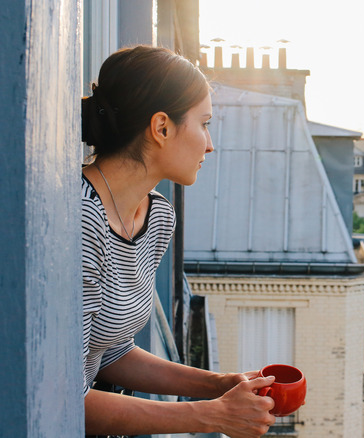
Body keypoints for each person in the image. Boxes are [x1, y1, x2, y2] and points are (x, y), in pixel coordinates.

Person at [80, 45, 275, 437]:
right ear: (161, 127)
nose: (209, 143)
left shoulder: (156, 217)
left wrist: (219, 385)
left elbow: (108, 352)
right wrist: (213, 416)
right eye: (204, 123)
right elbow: (64, 395)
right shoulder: (83, 219)